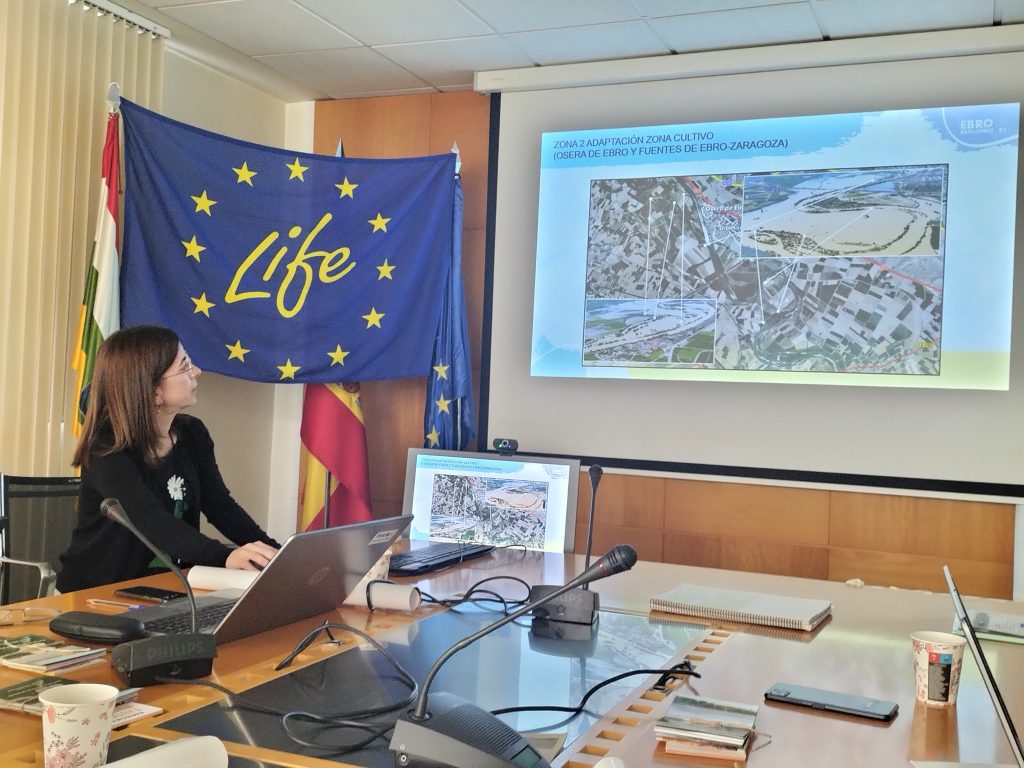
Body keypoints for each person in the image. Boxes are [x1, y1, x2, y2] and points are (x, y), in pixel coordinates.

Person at [57, 325, 279, 591]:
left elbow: (221, 507)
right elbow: (150, 520)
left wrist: (275, 555)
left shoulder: (193, 434)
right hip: (97, 594)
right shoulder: (106, 447)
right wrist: (226, 557)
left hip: (169, 588)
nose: (196, 371)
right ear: (153, 390)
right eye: (184, 366)